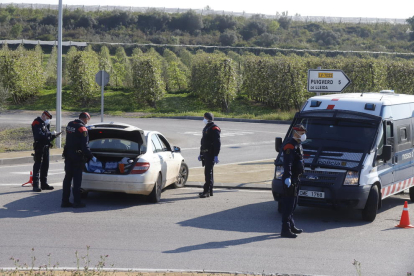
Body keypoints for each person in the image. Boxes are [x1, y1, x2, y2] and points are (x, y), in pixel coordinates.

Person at [61, 112, 96, 208]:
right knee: (76, 181)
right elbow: (85, 146)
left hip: (68, 156)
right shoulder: (83, 129)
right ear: (85, 119)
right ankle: (77, 202)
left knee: (67, 179)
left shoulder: (70, 124)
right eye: (87, 120)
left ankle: (65, 201)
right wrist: (91, 157)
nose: (87, 122)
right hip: (77, 157)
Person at [280, 124, 307, 238]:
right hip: (290, 179)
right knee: (288, 205)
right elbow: (288, 163)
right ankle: (285, 230)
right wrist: (288, 177)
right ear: (296, 133)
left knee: (293, 204)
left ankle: (291, 225)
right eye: (301, 133)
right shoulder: (290, 146)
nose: (303, 135)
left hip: (296, 178)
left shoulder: (297, 144)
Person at [31, 110, 61, 192]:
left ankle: (44, 184)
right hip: (39, 146)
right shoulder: (36, 122)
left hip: (46, 147)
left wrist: (54, 136)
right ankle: (35, 185)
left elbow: (47, 137)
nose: (47, 120)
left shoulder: (45, 124)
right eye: (47, 118)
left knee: (45, 165)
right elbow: (39, 135)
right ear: (43, 115)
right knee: (38, 165)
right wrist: (49, 134)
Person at [198, 112, 221, 198]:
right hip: (205, 152)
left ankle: (207, 191)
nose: (203, 119)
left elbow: (217, 143)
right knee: (208, 172)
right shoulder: (206, 128)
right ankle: (209, 190)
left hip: (210, 153)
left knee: (208, 172)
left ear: (207, 118)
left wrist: (216, 155)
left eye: (204, 118)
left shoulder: (214, 128)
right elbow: (203, 142)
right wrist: (201, 153)